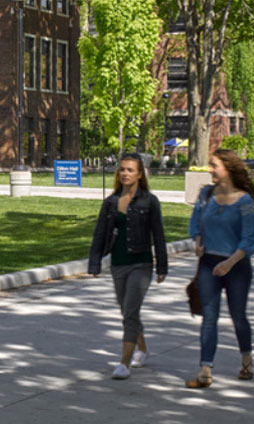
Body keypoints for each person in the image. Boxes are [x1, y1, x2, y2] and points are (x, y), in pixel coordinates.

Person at [185, 148, 254, 389]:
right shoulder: (205, 195)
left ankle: (246, 363)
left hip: (236, 266)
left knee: (238, 317)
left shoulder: (245, 201)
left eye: (214, 165)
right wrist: (197, 242)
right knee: (209, 318)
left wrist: (228, 263)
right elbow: (195, 223)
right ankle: (205, 370)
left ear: (227, 169)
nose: (209, 169)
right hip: (209, 264)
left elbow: (251, 239)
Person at [88, 154, 169, 380]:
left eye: (130, 170)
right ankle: (141, 347)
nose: (125, 173)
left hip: (141, 264)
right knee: (127, 312)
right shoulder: (111, 202)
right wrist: (94, 262)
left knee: (130, 311)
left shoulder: (150, 201)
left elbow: (159, 235)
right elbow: (100, 234)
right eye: (122, 169)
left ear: (139, 174)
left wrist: (162, 266)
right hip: (118, 264)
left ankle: (124, 363)